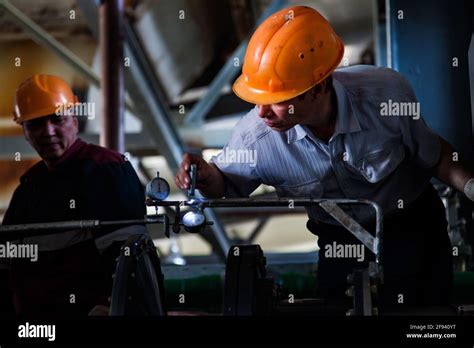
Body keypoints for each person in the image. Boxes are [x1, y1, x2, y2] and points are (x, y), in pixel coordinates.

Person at [175, 6, 474, 310]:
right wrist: (204, 175)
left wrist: (471, 186)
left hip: (412, 226)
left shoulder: (385, 96)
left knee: (429, 321)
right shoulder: (256, 137)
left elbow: (434, 156)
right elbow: (223, 182)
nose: (262, 113)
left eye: (277, 101)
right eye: (258, 100)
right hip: (338, 240)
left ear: (318, 88)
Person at [0, 74, 147, 317]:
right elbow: (5, 262)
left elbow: (128, 256)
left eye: (57, 119)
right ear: (24, 132)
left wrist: (107, 308)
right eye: (35, 124)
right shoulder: (28, 187)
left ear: (74, 121)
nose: (48, 131)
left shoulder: (106, 168)